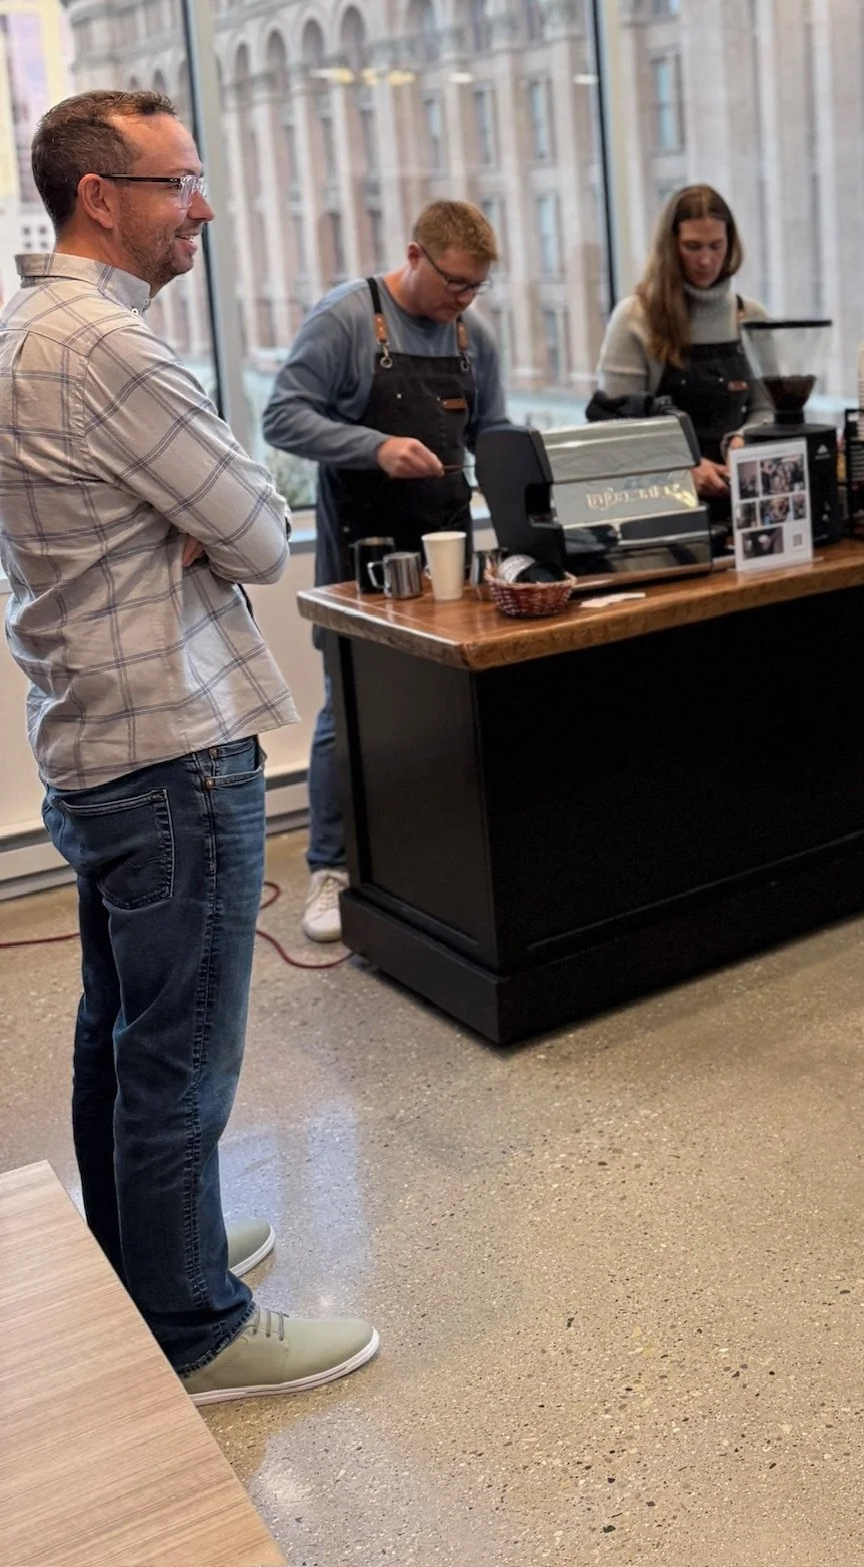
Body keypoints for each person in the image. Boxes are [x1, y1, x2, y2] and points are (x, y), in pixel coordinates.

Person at [0, 89, 377, 1402]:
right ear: (99, 198)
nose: (202, 208)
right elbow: (263, 537)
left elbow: (215, 524)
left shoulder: (29, 327)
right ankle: (192, 1323)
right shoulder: (112, 350)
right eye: (179, 183)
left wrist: (194, 526)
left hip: (96, 742)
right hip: (171, 746)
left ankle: (144, 1255)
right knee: (181, 1054)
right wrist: (202, 528)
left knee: (122, 1030)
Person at [262, 200, 509, 941]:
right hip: (361, 549)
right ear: (414, 255)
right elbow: (282, 417)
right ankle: (331, 868)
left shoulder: (474, 336)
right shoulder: (347, 319)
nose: (462, 301)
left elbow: (491, 431)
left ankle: (434, 859)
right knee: (349, 708)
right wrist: (376, 447)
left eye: (475, 289)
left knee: (445, 703)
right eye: (455, 284)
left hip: (449, 547)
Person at [590, 185, 771, 502]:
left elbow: (767, 407)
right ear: (670, 247)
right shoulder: (635, 318)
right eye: (692, 246)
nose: (706, 260)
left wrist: (744, 442)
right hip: (660, 500)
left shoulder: (751, 317)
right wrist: (680, 465)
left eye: (716, 246)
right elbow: (615, 428)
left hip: (737, 492)